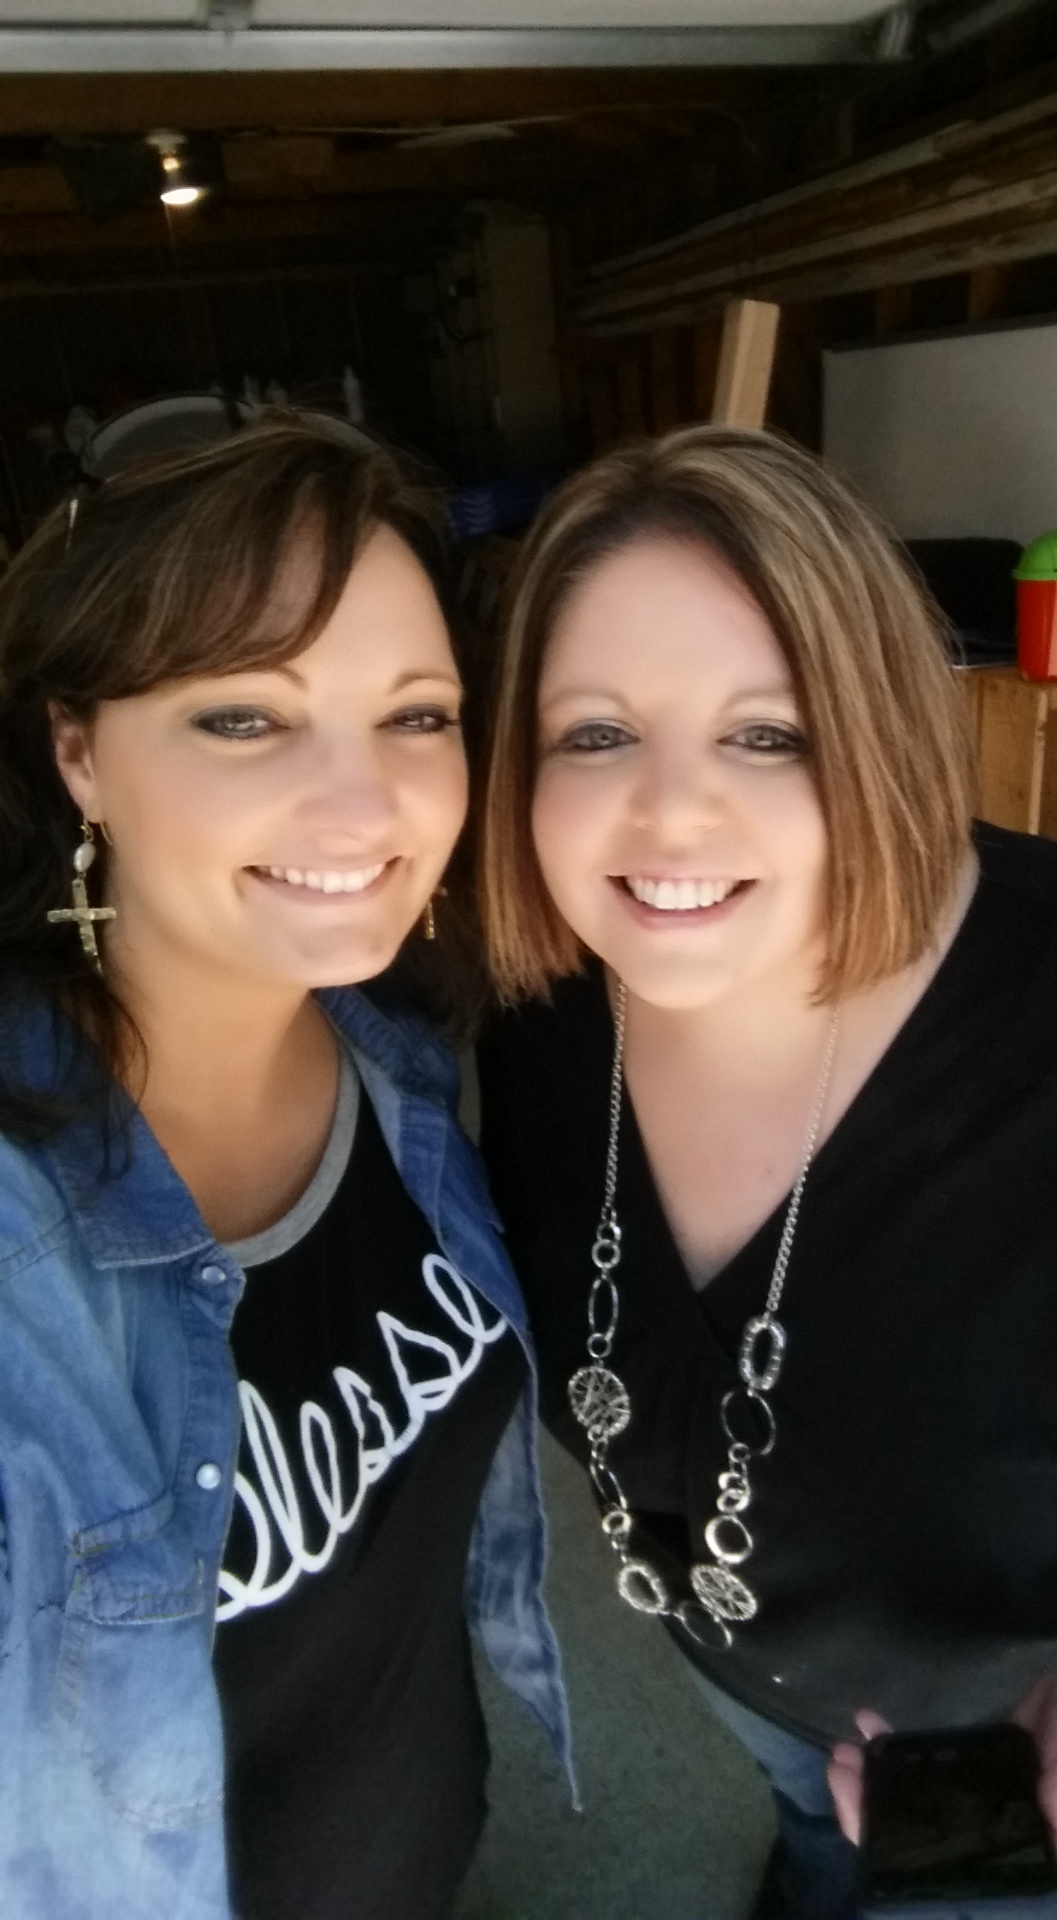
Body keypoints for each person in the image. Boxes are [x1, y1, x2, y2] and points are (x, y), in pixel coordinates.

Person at [477, 424, 1057, 1919]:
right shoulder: (542, 1022)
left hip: (1028, 1769)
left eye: (768, 734)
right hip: (745, 1692)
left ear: (875, 730)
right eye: (596, 734)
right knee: (810, 1848)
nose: (671, 812)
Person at [0, 418, 569, 1920]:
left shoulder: (408, 1058)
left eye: (417, 714)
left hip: (429, 1848)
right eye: (244, 717)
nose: (366, 805)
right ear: (78, 750)